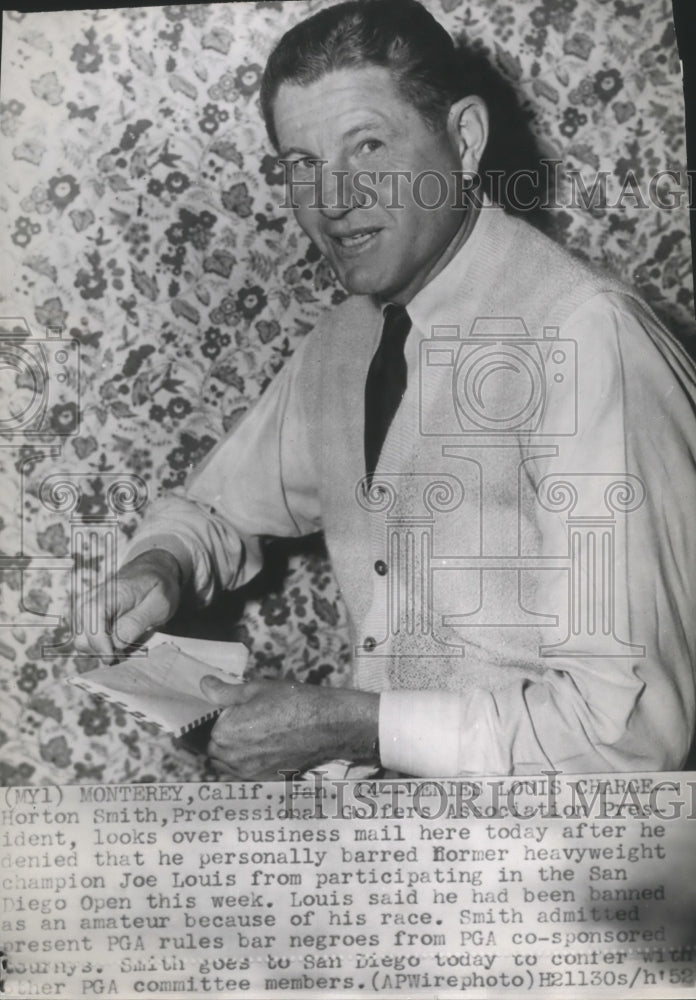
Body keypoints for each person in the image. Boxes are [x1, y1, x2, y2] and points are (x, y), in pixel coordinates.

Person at [75, 0, 696, 779]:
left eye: (367, 145)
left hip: (562, 880)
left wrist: (356, 728)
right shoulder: (342, 343)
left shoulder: (586, 339)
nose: (332, 200)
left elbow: (632, 736)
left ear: (464, 141)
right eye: (302, 164)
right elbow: (216, 508)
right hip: (396, 860)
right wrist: (162, 565)